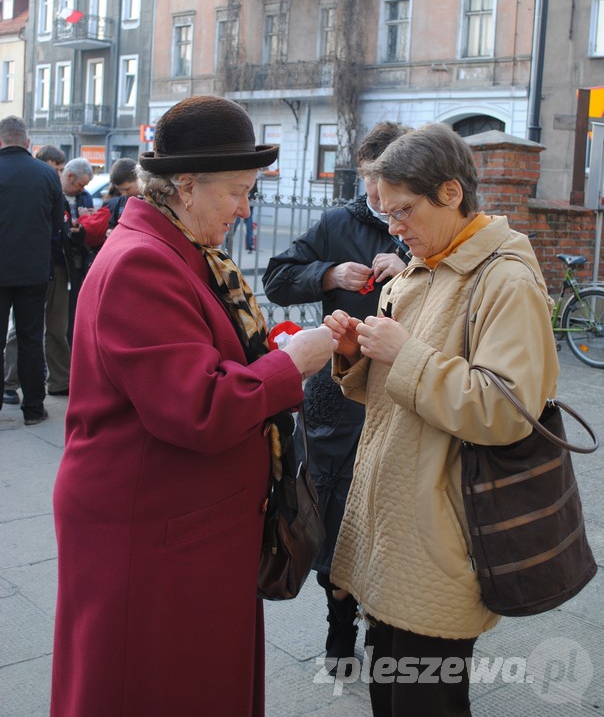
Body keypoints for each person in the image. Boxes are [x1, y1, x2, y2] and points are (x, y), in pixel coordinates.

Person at [50, 95, 336, 717]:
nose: (245, 206)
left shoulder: (179, 248)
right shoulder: (143, 264)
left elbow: (205, 359)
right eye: (237, 190)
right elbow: (199, 407)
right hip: (152, 531)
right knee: (149, 687)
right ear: (185, 186)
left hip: (185, 522)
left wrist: (272, 352)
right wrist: (293, 365)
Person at [324, 123, 560, 717]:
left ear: (452, 193)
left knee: (427, 702)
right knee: (391, 693)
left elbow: (506, 410)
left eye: (403, 210)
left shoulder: (505, 278)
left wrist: (403, 353)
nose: (393, 226)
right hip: (393, 525)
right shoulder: (419, 267)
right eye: (387, 210)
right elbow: (393, 398)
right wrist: (355, 355)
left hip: (444, 535)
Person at [262, 122, 409, 669]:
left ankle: (383, 623)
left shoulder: (424, 228)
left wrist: (413, 269)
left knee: (389, 510)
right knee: (335, 506)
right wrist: (326, 275)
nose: (376, 195)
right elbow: (277, 278)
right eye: (369, 179)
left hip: (400, 391)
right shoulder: (338, 221)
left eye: (386, 181)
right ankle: (339, 625)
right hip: (338, 395)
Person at [0, 117, 63, 425]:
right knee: (30, 338)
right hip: (33, 271)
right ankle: (34, 409)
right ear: (27, 142)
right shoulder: (47, 174)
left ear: (1, 141)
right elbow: (58, 224)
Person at [60, 158, 94, 346]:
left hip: (79, 260)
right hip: (60, 259)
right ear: (69, 176)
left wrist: (86, 223)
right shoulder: (55, 194)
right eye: (80, 185)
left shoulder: (85, 196)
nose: (82, 190)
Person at [231, 180, 257, 252]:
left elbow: (255, 193)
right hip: (239, 209)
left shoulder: (254, 182)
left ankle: (250, 246)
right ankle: (228, 243)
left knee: (249, 228)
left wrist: (253, 200)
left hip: (249, 209)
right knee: (233, 227)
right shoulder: (242, 182)